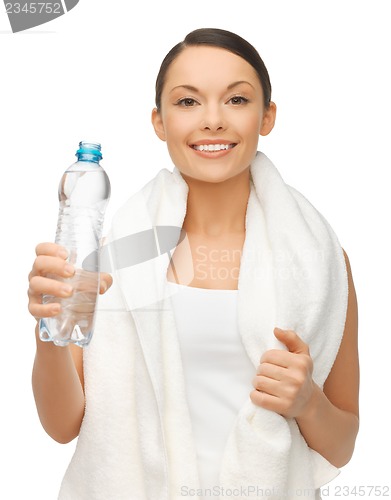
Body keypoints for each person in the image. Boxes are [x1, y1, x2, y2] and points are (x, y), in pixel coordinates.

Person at [27, 28, 359, 499]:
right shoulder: (111, 260)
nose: (213, 120)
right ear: (158, 121)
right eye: (187, 102)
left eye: (237, 100)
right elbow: (62, 426)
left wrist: (307, 402)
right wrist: (48, 329)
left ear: (267, 116)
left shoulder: (320, 263)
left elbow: (343, 444)